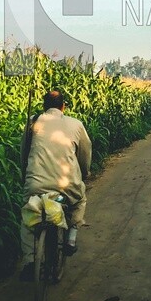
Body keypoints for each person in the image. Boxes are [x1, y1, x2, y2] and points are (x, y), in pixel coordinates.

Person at [19, 89, 92, 281]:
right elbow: (85, 154)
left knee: (28, 217)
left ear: (44, 107)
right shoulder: (75, 124)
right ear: (63, 106)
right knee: (78, 202)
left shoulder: (33, 122)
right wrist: (85, 174)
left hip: (35, 183)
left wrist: (24, 177)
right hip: (66, 184)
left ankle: (29, 261)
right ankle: (71, 238)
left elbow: (23, 155)